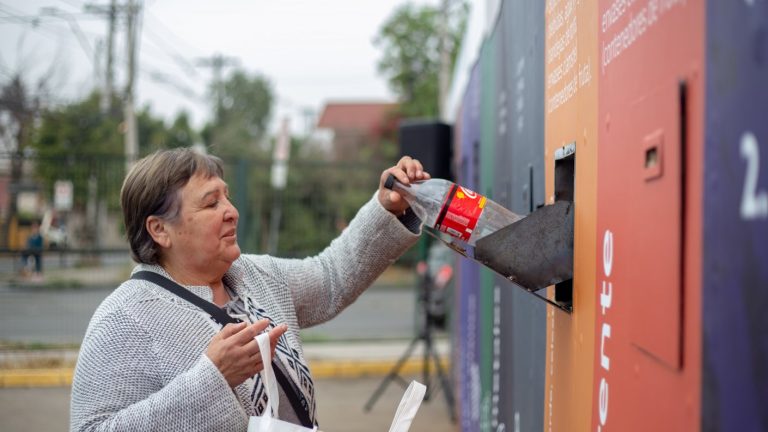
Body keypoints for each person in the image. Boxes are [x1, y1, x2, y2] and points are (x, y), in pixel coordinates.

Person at [70, 148, 429, 431]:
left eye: (226, 197)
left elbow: (332, 277)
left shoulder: (255, 274)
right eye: (211, 203)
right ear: (159, 230)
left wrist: (385, 208)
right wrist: (213, 378)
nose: (232, 211)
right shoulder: (124, 318)